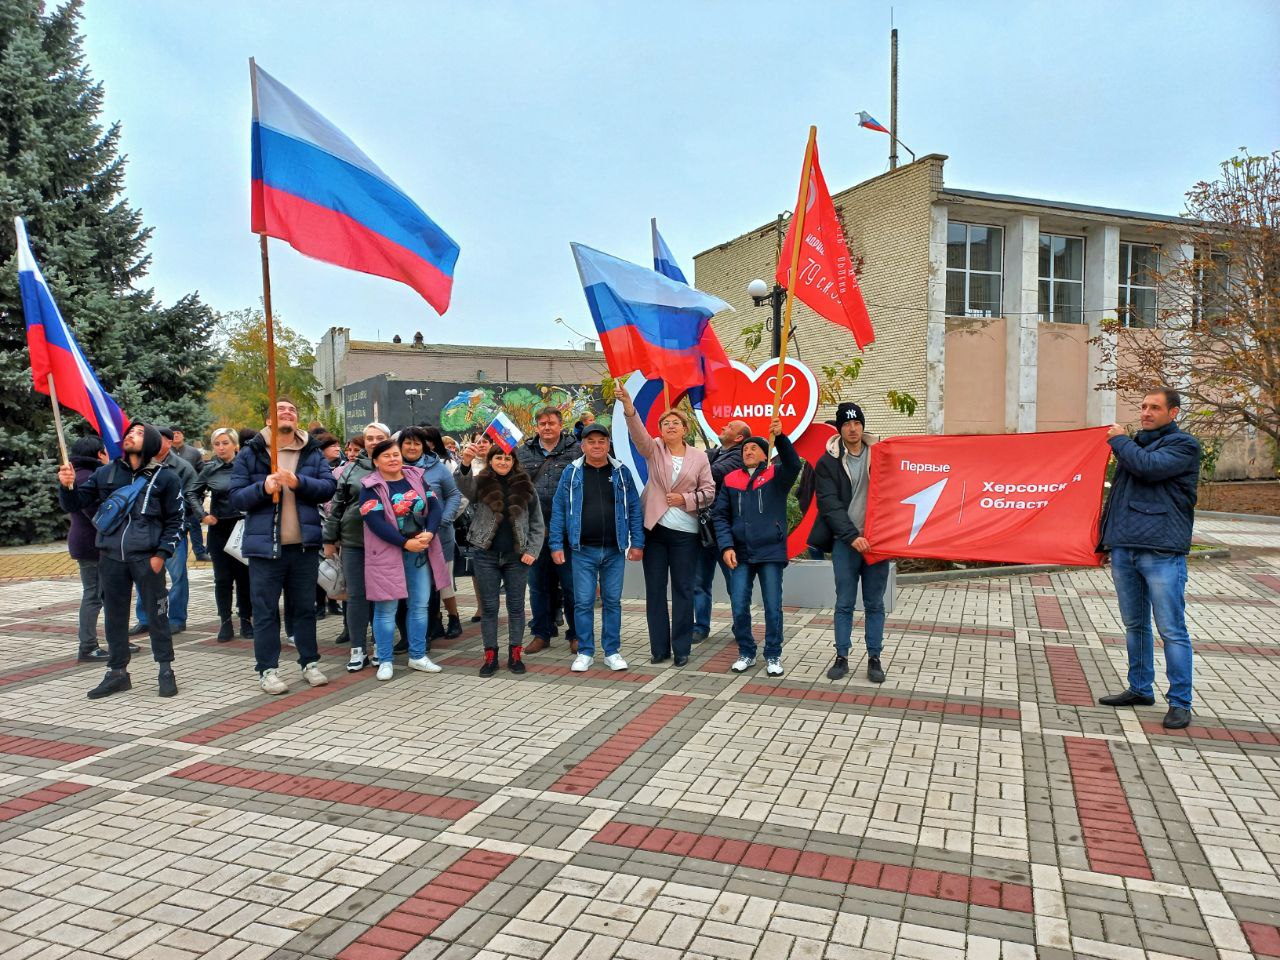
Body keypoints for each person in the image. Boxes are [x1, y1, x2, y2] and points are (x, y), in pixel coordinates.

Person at [1096, 387, 1201, 730]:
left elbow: (1150, 469)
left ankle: (1180, 702)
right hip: (1126, 548)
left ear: (1173, 413)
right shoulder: (1136, 445)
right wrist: (1107, 542)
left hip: (1161, 551)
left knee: (1171, 629)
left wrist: (1120, 442)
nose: (1145, 412)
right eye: (1142, 406)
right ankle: (1140, 689)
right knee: (1134, 625)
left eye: (1154, 407)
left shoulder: (1182, 445)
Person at [57, 422, 184, 699]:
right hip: (111, 557)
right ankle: (117, 673)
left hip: (147, 558)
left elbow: (176, 520)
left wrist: (161, 555)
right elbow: (74, 504)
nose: (130, 436)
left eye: (138, 434)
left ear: (149, 442)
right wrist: (67, 486)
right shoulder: (106, 473)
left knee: (157, 616)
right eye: (129, 433)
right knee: (114, 618)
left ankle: (165, 670)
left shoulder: (165, 478)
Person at [228, 398, 337, 695]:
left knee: (304, 608)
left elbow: (328, 488)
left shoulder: (311, 451)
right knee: (265, 611)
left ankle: (310, 663)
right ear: (268, 420)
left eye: (292, 410)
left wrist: (299, 481)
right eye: (280, 410)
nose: (287, 413)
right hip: (265, 548)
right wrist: (263, 488)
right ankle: (268, 670)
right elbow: (236, 497)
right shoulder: (252, 452)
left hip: (303, 546)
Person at [618, 385, 714, 667]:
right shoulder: (654, 449)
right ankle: (659, 648)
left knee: (683, 590)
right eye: (665, 423)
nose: (670, 426)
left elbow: (709, 491)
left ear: (685, 428)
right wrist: (628, 406)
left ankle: (682, 647)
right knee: (656, 591)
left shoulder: (699, 457)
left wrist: (684, 498)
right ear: (659, 430)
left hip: (686, 534)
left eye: (676, 423)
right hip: (656, 531)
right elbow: (638, 434)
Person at [549, 423, 644, 673]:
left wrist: (638, 542)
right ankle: (585, 652)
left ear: (608, 444)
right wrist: (556, 544)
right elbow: (559, 509)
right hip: (582, 551)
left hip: (615, 550)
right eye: (591, 441)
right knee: (583, 602)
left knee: (612, 601)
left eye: (602, 441)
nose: (597, 445)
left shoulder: (622, 473)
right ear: (583, 446)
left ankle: (612, 652)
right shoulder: (572, 473)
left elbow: (634, 508)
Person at [712, 418, 801, 676]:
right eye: (744, 450)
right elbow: (720, 516)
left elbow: (794, 464)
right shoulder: (731, 479)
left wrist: (781, 438)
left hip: (770, 553)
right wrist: (726, 545)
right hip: (739, 553)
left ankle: (773, 655)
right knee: (739, 605)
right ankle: (746, 652)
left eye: (753, 449)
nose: (747, 452)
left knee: (773, 606)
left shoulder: (776, 475)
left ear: (766, 454)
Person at [809, 403, 891, 683]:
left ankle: (875, 658)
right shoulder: (828, 461)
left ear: (863, 425)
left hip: (878, 542)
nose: (853, 428)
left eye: (857, 423)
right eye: (846, 424)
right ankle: (841, 656)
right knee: (844, 603)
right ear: (839, 428)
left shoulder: (881, 455)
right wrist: (852, 536)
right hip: (847, 542)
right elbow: (829, 504)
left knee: (875, 604)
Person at [360, 438, 448, 680]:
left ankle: (418, 655)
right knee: (386, 609)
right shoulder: (370, 486)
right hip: (388, 554)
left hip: (420, 551)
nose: (393, 459)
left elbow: (434, 506)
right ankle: (385, 660)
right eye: (386, 456)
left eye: (395, 454)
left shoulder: (416, 477)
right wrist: (405, 543)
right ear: (376, 461)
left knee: (420, 605)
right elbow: (374, 521)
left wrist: (430, 532)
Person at [457, 442, 543, 675]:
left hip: (517, 557)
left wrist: (532, 551)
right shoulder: (482, 482)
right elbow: (464, 487)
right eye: (498, 458)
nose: (503, 462)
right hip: (485, 554)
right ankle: (490, 656)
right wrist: (465, 463)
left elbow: (537, 522)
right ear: (491, 461)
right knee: (490, 608)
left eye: (507, 458)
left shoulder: (526, 486)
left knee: (516, 607)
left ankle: (515, 655)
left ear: (514, 461)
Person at [324, 422, 389, 672]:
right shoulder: (351, 470)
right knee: (356, 597)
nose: (373, 442)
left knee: (381, 596)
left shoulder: (395, 466)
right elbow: (336, 506)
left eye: (379, 437)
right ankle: (358, 648)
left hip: (386, 542)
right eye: (369, 438)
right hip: (354, 541)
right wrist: (329, 540)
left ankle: (379, 645)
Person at [516, 407, 581, 654]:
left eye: (551, 423)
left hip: (567, 531)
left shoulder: (576, 450)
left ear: (560, 424)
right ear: (536, 427)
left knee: (572, 585)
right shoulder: (523, 453)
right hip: (536, 532)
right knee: (538, 585)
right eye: (542, 423)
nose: (547, 427)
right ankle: (541, 633)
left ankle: (576, 634)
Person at [130, 427, 201, 635]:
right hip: (145, 532)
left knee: (177, 575)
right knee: (145, 575)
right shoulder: (141, 465)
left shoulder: (182, 467)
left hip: (173, 531)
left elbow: (191, 496)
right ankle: (145, 618)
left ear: (169, 443)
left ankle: (177, 618)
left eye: (159, 440)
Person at [400, 426, 463, 640]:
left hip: (438, 536)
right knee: (411, 586)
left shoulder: (437, 467)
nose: (412, 447)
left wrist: (443, 520)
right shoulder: (392, 465)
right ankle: (424, 628)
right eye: (407, 443)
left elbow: (454, 494)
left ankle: (443, 621)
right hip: (404, 540)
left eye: (417, 443)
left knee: (439, 582)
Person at [693, 418, 750, 643]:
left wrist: (692, 466)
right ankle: (700, 626)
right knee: (699, 581)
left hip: (727, 532)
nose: (723, 426)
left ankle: (741, 625)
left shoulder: (738, 456)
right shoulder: (713, 452)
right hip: (704, 528)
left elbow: (712, 474)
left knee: (734, 583)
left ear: (738, 438)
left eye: (730, 426)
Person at [195, 427, 252, 641]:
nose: (221, 447)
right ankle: (225, 621)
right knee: (222, 579)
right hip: (219, 529)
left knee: (244, 577)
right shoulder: (209, 469)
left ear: (235, 445)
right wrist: (203, 515)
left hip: (242, 527)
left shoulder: (245, 467)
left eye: (225, 443)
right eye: (217, 444)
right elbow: (191, 493)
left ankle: (246, 619)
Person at [64, 434, 111, 662]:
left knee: (105, 594)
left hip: (89, 542)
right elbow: (97, 514)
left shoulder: (82, 475)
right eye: (105, 451)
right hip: (91, 544)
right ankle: (88, 645)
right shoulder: (86, 478)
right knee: (93, 595)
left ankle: (115, 638)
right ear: (98, 453)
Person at [172, 429, 209, 560]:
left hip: (191, 494)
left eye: (178, 433)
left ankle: (200, 552)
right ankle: (176, 553)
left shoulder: (193, 452)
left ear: (183, 435)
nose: (176, 435)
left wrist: (199, 488)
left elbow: (201, 470)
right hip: (173, 495)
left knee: (195, 524)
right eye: (173, 433)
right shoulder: (167, 453)